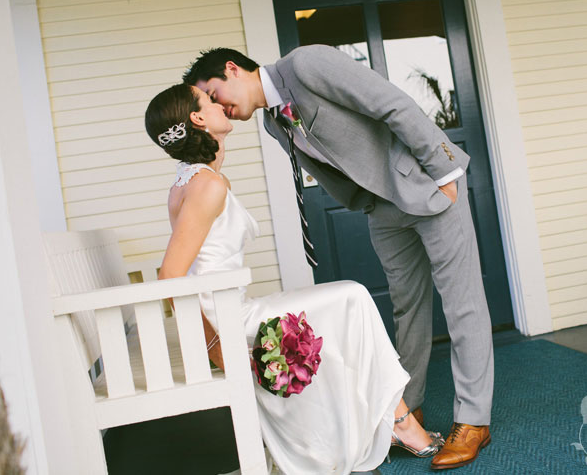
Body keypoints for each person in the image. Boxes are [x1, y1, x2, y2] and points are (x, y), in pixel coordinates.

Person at [183, 45, 494, 470]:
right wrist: (365, 202)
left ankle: (474, 421)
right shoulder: (275, 121)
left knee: (463, 304)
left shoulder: (306, 64)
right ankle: (408, 409)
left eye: (213, 93)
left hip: (427, 186)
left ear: (233, 69)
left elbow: (392, 105)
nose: (219, 106)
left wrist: (444, 171)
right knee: (407, 308)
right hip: (382, 207)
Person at [145, 83, 444, 475]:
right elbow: (170, 275)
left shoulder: (195, 179)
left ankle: (390, 421)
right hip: (229, 321)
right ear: (199, 119)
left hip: (233, 309)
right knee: (351, 298)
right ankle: (401, 424)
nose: (220, 103)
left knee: (343, 312)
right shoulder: (206, 185)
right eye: (209, 101)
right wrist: (215, 343)